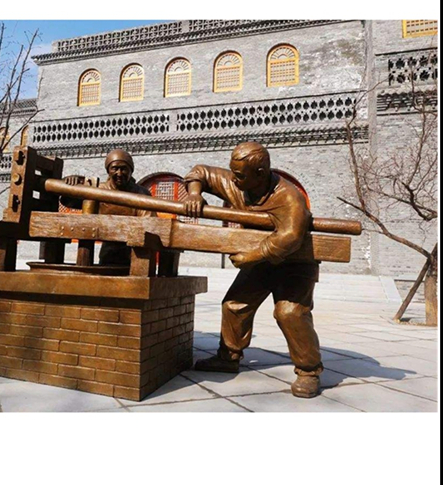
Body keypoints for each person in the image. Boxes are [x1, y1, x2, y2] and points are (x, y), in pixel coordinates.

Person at [182, 141, 323, 398]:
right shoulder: (237, 182)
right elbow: (200, 172)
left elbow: (291, 237)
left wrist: (251, 256)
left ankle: (309, 370)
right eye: (233, 173)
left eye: (239, 175)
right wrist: (194, 194)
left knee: (289, 313)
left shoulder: (289, 197)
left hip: (294, 264)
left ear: (260, 173)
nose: (233, 180)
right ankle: (228, 357)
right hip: (261, 263)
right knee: (234, 305)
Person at [64, 149, 156, 266]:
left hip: (134, 252)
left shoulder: (141, 193)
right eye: (115, 168)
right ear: (108, 170)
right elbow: (69, 202)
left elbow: (149, 223)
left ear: (131, 171)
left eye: (124, 169)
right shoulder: (98, 190)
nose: (119, 173)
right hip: (108, 251)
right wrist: (73, 184)